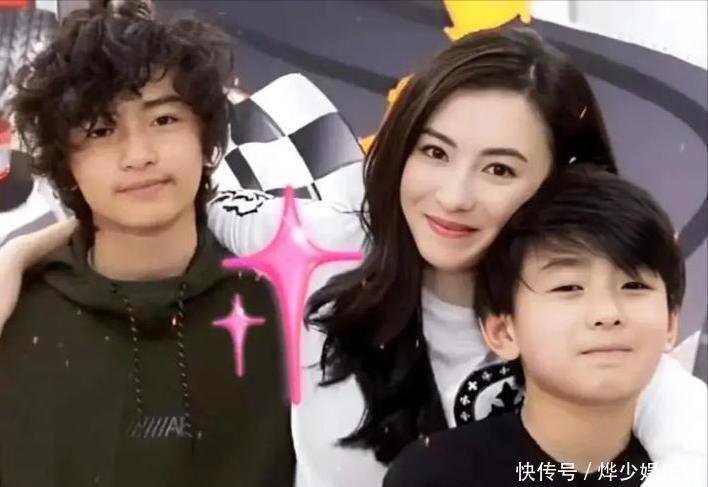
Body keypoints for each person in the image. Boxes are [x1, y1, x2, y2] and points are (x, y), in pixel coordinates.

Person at [0, 26, 705, 487]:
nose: (453, 196)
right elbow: (156, 195)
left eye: (499, 168)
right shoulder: (315, 244)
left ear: (561, 181)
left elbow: (684, 431)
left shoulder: (583, 319)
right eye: (434, 153)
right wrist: (16, 256)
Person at [0, 5, 293, 486]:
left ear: (206, 137)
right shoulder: (14, 317)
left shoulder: (292, 308)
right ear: (64, 162)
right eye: (100, 130)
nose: (139, 155)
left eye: (164, 119)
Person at [383, 164, 687, 487]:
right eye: (568, 287)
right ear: (503, 331)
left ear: (670, 323)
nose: (608, 313)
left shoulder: (690, 467)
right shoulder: (438, 475)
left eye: (634, 286)